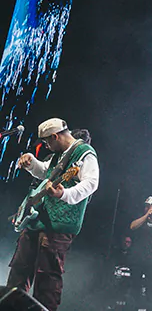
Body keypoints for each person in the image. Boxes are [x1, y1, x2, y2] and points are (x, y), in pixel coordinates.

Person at [8, 118, 99, 311]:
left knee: (47, 279)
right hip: (38, 219)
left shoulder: (85, 153)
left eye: (47, 141)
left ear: (55, 136)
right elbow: (45, 172)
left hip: (59, 224)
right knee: (19, 270)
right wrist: (31, 162)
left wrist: (63, 194)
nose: (46, 146)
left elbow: (91, 183)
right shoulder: (59, 154)